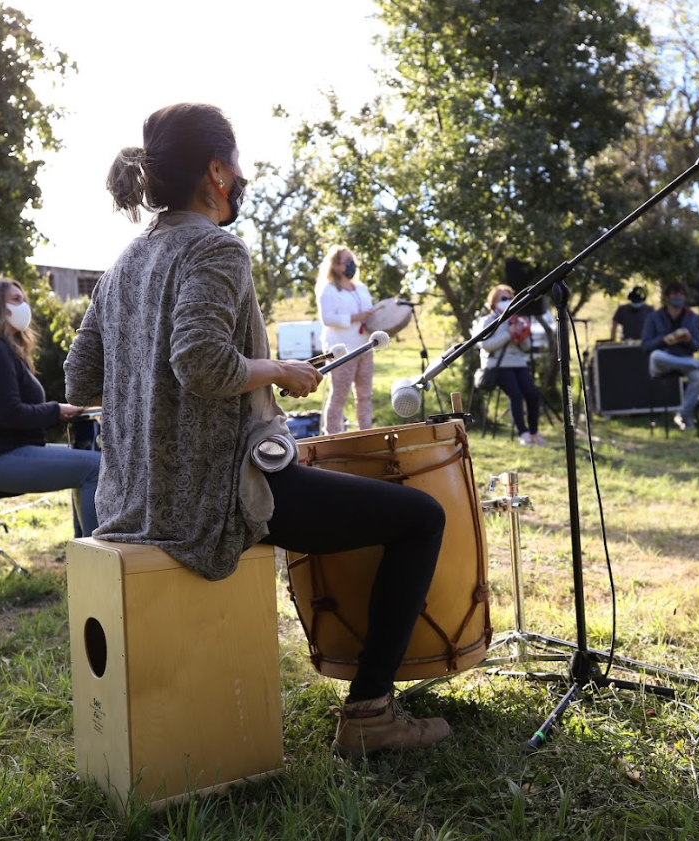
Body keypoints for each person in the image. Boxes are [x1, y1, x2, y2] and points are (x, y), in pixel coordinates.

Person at [63, 102, 449, 758]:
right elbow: (203, 361)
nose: (241, 177)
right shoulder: (214, 247)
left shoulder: (126, 262)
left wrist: (157, 390)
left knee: (335, 491)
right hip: (212, 500)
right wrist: (277, 369)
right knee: (419, 517)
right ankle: (371, 710)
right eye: (236, 164)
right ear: (216, 171)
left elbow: (77, 379)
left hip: (125, 505)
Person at [0, 277, 102, 538]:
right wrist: (57, 411)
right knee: (95, 467)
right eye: (16, 300)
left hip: (1, 453)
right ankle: (97, 561)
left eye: (23, 299)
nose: (24, 306)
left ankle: (84, 551)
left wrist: (59, 410)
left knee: (87, 460)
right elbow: (8, 414)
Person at [641, 281, 699, 431]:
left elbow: (697, 345)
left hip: (685, 361)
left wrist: (688, 340)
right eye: (675, 294)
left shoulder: (693, 317)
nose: (678, 297)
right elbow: (646, 346)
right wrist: (663, 340)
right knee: (656, 356)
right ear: (667, 297)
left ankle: (683, 416)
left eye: (681, 295)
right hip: (662, 362)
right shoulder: (654, 317)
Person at [473, 284, 544, 446]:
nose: (508, 301)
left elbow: (526, 348)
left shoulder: (517, 320)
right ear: (493, 302)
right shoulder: (487, 321)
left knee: (533, 394)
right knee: (516, 395)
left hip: (519, 363)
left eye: (510, 298)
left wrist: (522, 335)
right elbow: (485, 345)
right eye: (504, 299)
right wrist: (508, 333)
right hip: (497, 366)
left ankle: (534, 432)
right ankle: (523, 433)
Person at [315, 245, 375, 434]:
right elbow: (327, 318)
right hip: (342, 350)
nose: (351, 265)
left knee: (365, 395)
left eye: (352, 260)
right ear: (335, 266)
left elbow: (370, 314)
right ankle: (332, 436)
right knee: (339, 396)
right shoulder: (329, 290)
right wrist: (355, 317)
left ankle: (366, 434)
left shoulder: (361, 288)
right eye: (347, 261)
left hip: (365, 347)